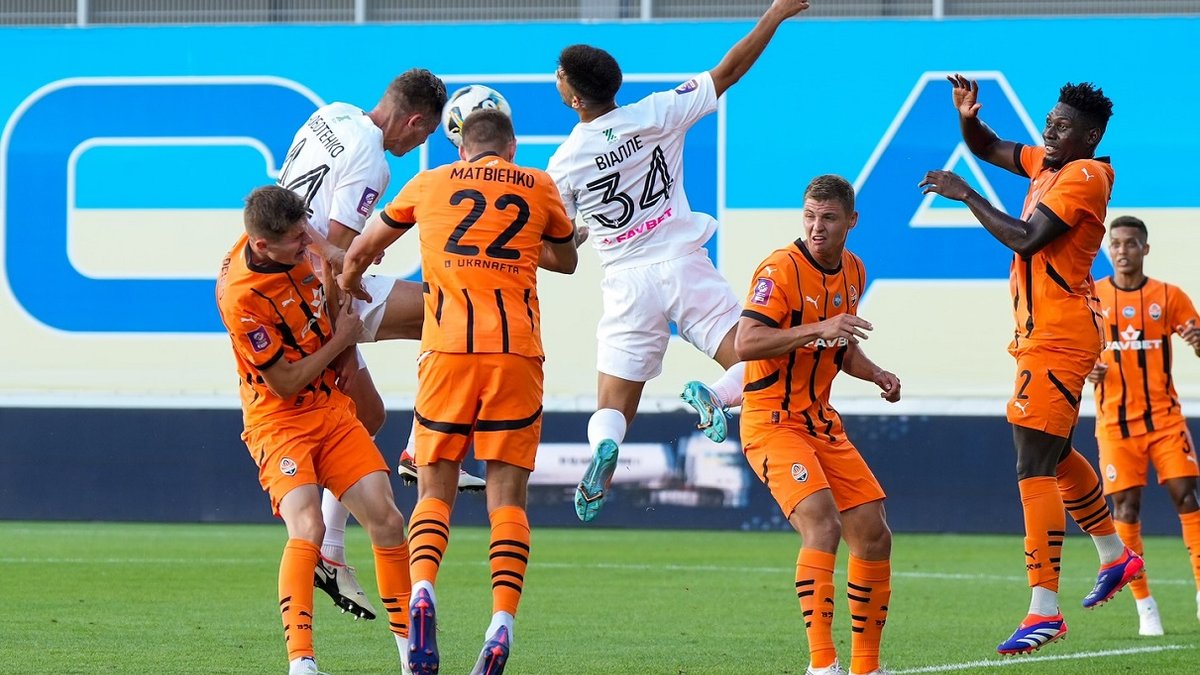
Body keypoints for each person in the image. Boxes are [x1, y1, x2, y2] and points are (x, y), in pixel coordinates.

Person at [547, 0, 812, 522]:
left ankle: (606, 448)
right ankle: (715, 394)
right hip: (684, 264)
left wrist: (578, 235)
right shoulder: (657, 111)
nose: (556, 79)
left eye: (559, 76)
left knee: (612, 404)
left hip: (626, 281)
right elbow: (729, 70)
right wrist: (776, 14)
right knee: (762, 359)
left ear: (575, 98)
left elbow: (559, 249)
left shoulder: (564, 163)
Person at [340, 109, 578, 675]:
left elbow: (362, 250)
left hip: (447, 351)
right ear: (512, 148)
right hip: (515, 354)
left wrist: (348, 284)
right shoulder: (538, 185)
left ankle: (423, 590)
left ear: (461, 149)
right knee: (507, 499)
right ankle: (501, 625)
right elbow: (566, 261)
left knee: (434, 490)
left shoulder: (429, 184)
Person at [920, 74, 1143, 655]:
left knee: (1031, 462)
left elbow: (1026, 238)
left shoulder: (1086, 175)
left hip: (1058, 336)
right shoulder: (1050, 163)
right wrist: (967, 117)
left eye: (1062, 126)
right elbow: (989, 147)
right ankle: (1115, 556)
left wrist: (966, 195)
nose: (1049, 131)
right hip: (1042, 335)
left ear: (1089, 137)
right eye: (1049, 121)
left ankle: (1044, 609)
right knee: (1055, 453)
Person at [277, 68, 486, 622]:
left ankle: (330, 551)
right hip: (313, 294)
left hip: (285, 279)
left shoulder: (331, 114)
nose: (418, 145)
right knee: (456, 310)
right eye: (424, 135)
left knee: (367, 415)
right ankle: (421, 445)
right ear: (414, 121)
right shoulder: (374, 160)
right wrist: (341, 340)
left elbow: (292, 210)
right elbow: (336, 259)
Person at [216, 186, 414, 675]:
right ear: (262, 246)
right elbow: (283, 382)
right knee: (308, 524)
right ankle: (301, 663)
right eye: (296, 239)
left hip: (329, 408)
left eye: (306, 230)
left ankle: (413, 658)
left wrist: (337, 270)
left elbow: (328, 284)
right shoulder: (241, 295)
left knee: (388, 520)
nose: (307, 241)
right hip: (278, 421)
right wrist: (342, 341)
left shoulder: (297, 239)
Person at [736, 175, 898, 675]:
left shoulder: (854, 270)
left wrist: (876, 374)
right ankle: (822, 665)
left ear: (852, 221)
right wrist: (819, 328)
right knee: (822, 525)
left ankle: (866, 666)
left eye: (828, 217)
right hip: (771, 421)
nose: (816, 227)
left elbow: (840, 348)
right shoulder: (780, 269)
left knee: (873, 533)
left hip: (821, 423)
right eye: (809, 216)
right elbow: (746, 342)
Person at [1086, 215, 1200, 635]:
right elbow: (1075, 350)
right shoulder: (1093, 297)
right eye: (1115, 243)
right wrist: (1087, 369)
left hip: (1165, 420)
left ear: (1144, 249)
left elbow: (1197, 338)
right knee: (1126, 509)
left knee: (1187, 497)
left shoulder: (1168, 296)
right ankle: (1144, 605)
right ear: (1108, 249)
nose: (1122, 250)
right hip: (1115, 424)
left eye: (1130, 243)